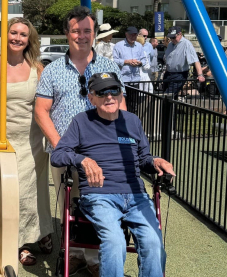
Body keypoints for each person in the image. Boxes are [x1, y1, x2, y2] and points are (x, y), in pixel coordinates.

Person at [51, 72, 175, 277]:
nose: (109, 96)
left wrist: (155, 161)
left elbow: (144, 158)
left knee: (153, 242)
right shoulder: (81, 122)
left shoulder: (132, 121)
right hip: (100, 196)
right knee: (115, 241)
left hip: (136, 196)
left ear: (121, 93)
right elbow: (58, 155)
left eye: (114, 90)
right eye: (101, 92)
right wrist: (83, 160)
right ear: (91, 97)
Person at [35, 6, 123, 276]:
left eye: (87, 30)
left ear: (94, 33)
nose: (82, 36)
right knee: (67, 205)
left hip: (103, 152)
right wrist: (61, 145)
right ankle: (73, 255)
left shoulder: (109, 66)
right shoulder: (51, 70)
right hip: (64, 150)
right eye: (76, 30)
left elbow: (121, 106)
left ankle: (95, 259)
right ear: (67, 33)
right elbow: (41, 111)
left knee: (100, 205)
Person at [3, 18, 54, 265]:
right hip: (4, 138)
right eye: (14, 32)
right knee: (15, 191)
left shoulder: (37, 68)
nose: (17, 38)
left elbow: (49, 104)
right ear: (7, 34)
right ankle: (18, 240)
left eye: (23, 34)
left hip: (33, 138)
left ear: (29, 39)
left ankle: (41, 230)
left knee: (37, 189)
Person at [162, 26, 205, 99]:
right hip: (168, 74)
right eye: (171, 38)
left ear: (180, 34)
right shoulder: (170, 45)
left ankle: (166, 109)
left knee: (168, 95)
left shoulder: (186, 44)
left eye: (174, 37)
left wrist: (200, 75)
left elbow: (195, 60)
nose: (172, 40)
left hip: (179, 74)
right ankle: (170, 110)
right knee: (169, 96)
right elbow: (168, 60)